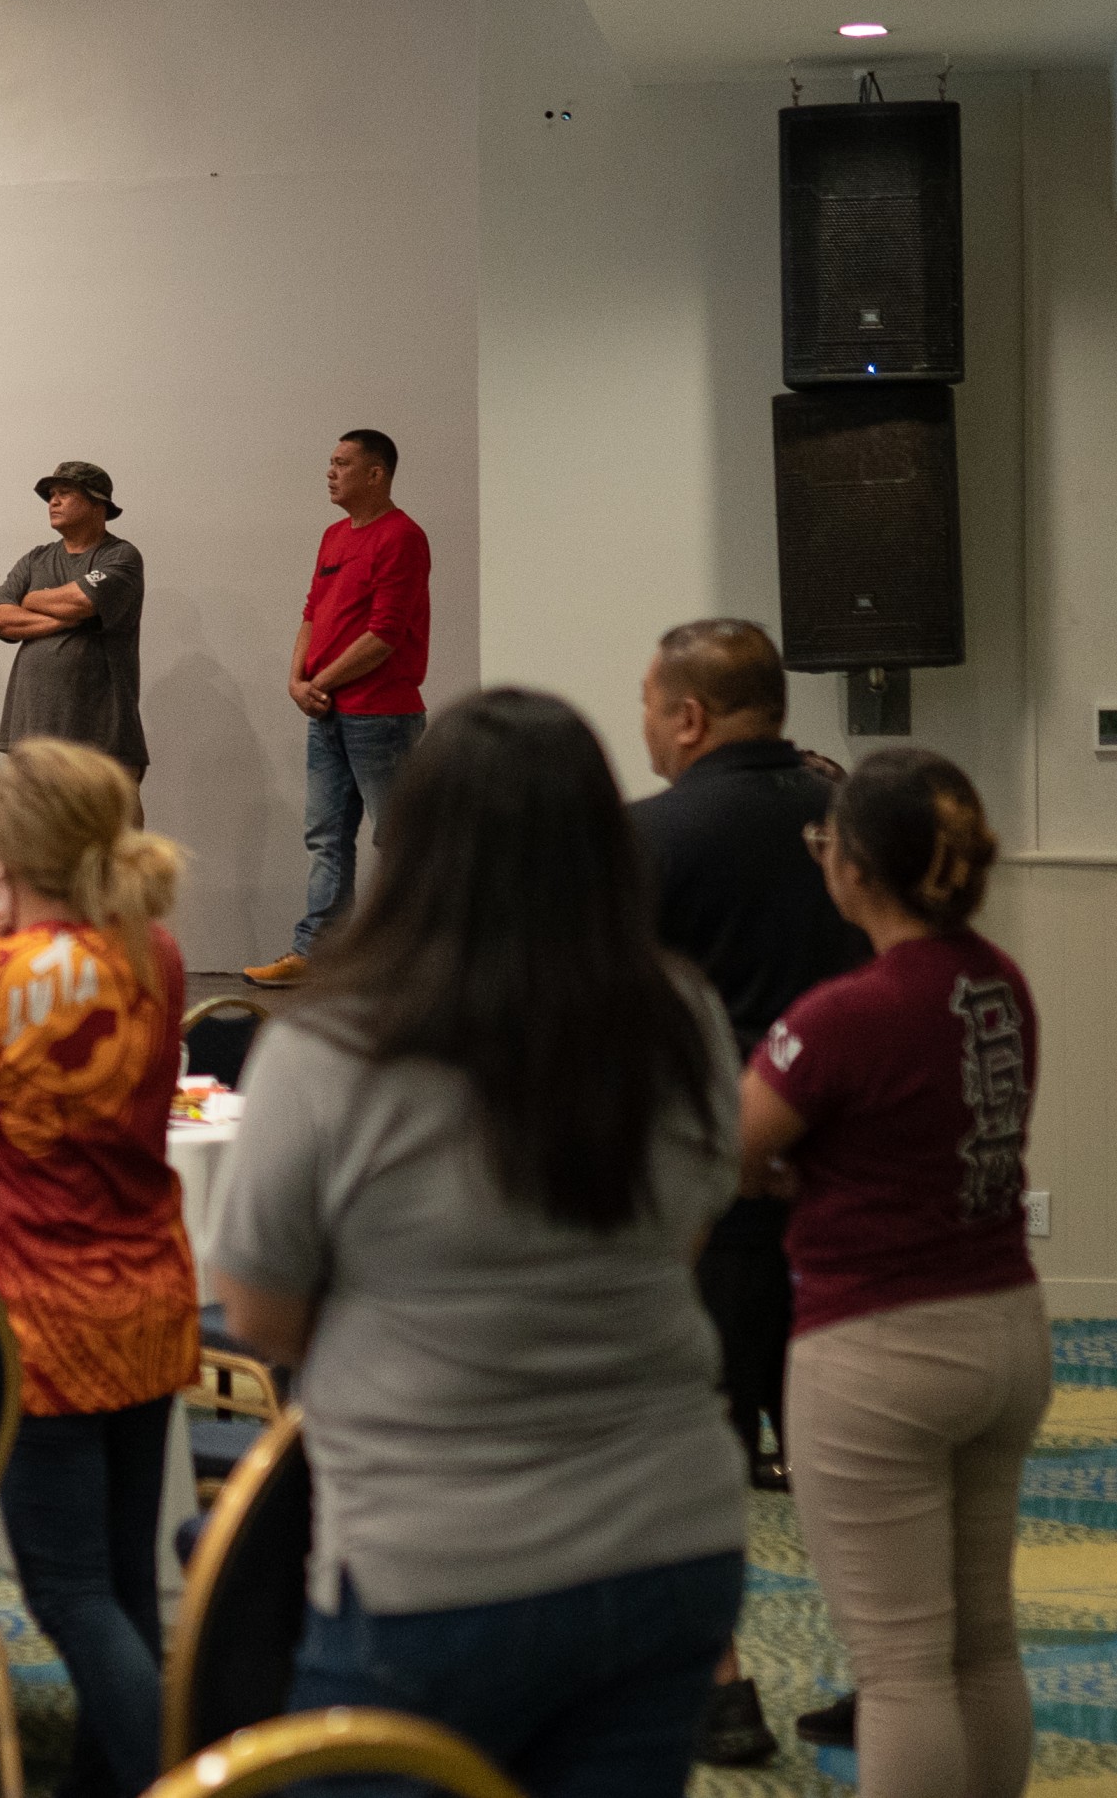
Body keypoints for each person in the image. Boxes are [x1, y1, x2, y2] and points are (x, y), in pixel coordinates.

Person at [208, 688, 746, 1798]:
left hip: (432, 1563)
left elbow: (257, 1310)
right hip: (671, 1539)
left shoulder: (332, 1041)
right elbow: (686, 1234)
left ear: (409, 842)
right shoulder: (678, 1012)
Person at [0, 738, 195, 1798]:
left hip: (43, 1320)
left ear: (4, 853)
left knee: (64, 1593)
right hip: (149, 1294)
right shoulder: (153, 952)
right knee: (124, 1586)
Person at [744, 749, 1042, 1798]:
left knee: (900, 1668)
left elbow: (729, 1151)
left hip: (876, 1350)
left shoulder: (838, 1015)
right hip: (1004, 1323)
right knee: (982, 1642)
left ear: (852, 870)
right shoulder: (997, 981)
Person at [631, 617, 870, 1768]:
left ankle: (719, 1690)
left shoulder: (654, 835)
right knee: (853, 1458)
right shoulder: (853, 821)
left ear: (686, 715)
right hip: (848, 1188)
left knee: (702, 1456)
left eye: (648, 709)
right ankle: (887, 1675)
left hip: (711, 1194)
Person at [243, 429, 430, 987]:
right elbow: (311, 613)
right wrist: (296, 680)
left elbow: (385, 634)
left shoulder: (402, 537)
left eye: (342, 463)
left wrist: (316, 682)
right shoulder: (333, 536)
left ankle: (408, 957)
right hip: (329, 712)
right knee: (325, 836)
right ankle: (316, 954)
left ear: (376, 474)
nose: (330, 472)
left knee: (395, 836)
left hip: (381, 714)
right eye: (330, 462)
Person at [0, 460, 147, 776]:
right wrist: (65, 622)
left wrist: (30, 599)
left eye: (65, 493)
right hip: (31, 734)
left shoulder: (121, 556)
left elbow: (81, 601)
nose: (53, 502)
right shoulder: (35, 558)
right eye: (51, 495)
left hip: (101, 736)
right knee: (35, 826)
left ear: (97, 502)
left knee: (109, 824)